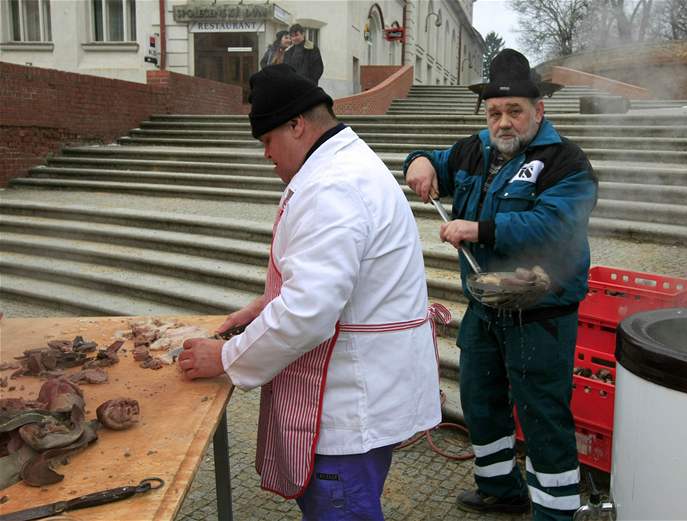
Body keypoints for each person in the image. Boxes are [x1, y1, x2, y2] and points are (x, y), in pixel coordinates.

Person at [178, 64, 443, 520]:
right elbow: (334, 279)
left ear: (296, 125)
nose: (265, 155)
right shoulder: (345, 164)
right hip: (369, 387)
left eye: (266, 141)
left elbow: (308, 313)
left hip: (349, 406)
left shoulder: (332, 186)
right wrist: (262, 307)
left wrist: (224, 358)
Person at [404, 49, 597, 521]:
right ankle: (499, 489)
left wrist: (479, 229)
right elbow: (434, 161)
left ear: (538, 111)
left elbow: (555, 227)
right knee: (481, 401)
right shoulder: (475, 150)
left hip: (540, 315)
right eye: (495, 112)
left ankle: (555, 513)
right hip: (486, 308)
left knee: (542, 417)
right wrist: (420, 162)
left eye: (514, 111)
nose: (504, 122)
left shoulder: (566, 162)